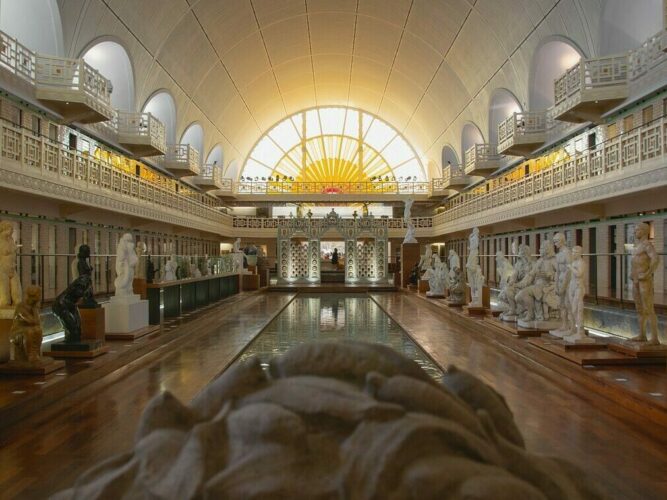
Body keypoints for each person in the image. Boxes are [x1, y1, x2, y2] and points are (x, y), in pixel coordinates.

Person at [630, 223, 660, 344]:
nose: (635, 232)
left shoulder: (647, 245)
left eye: (637, 230)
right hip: (636, 280)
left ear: (643, 231)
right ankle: (642, 334)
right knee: (639, 309)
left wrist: (648, 273)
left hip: (644, 281)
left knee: (648, 308)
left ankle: (654, 338)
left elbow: (655, 259)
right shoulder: (637, 246)